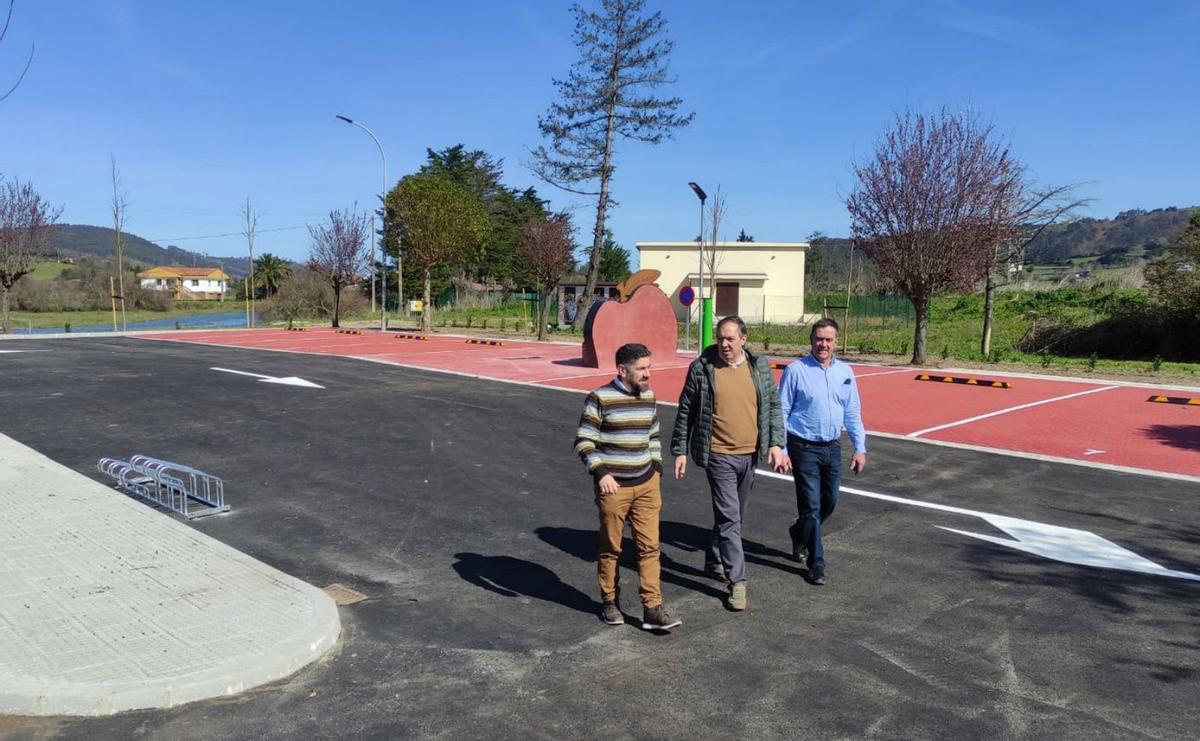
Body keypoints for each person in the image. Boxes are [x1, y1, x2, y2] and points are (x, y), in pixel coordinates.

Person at [671, 316, 788, 611]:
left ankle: (714, 558)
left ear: (743, 340)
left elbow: (773, 405)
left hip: (750, 454)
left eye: (730, 339)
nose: (723, 344)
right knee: (730, 517)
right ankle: (738, 581)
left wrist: (776, 443)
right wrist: (680, 450)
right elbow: (686, 409)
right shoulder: (702, 367)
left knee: (734, 516)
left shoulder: (759, 366)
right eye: (720, 338)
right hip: (718, 455)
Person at [574, 343, 682, 631]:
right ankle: (610, 602)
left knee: (650, 548)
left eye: (649, 367)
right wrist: (602, 473)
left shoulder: (649, 397)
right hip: (614, 489)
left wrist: (657, 466)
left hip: (647, 484)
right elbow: (584, 440)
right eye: (642, 369)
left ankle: (652, 609)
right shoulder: (600, 398)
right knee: (611, 547)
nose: (648, 374)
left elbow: (654, 434)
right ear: (623, 370)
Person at [778, 317, 866, 586]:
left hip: (832, 446)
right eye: (819, 339)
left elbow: (852, 412)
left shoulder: (846, 373)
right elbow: (781, 411)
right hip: (802, 446)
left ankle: (798, 531)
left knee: (831, 501)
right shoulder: (795, 371)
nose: (823, 344)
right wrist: (781, 448)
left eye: (828, 340)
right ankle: (816, 562)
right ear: (811, 341)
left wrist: (859, 447)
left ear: (836, 342)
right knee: (812, 506)